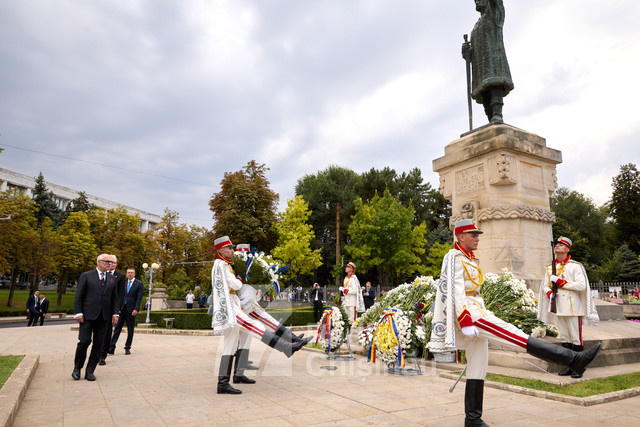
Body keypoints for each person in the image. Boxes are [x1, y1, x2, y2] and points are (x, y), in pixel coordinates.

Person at [428, 219, 601, 426]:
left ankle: (472, 419)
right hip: (469, 313)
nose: (477, 238)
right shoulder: (454, 257)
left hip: (476, 308)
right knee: (513, 334)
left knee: (478, 364)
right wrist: (464, 319)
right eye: (473, 235)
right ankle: (571, 359)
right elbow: (454, 289)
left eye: (478, 235)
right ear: (460, 237)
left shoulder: (469, 258)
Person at [211, 236, 308, 395]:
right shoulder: (221, 265)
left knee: (230, 346)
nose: (232, 250)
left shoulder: (225, 264)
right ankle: (286, 347)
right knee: (255, 326)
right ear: (220, 250)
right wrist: (240, 280)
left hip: (233, 305)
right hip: (230, 307)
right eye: (229, 248)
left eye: (232, 248)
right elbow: (235, 285)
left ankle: (223, 383)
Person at [537, 237, 600, 378]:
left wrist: (560, 282)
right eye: (556, 245)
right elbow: (545, 286)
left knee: (575, 338)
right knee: (565, 338)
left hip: (573, 307)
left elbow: (581, 285)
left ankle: (579, 367)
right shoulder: (550, 267)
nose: (557, 246)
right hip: (558, 306)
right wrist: (549, 292)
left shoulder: (575, 266)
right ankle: (569, 365)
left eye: (561, 245)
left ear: (567, 249)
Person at [462, 0, 514, 124]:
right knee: (483, 91)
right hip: (480, 68)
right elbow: (471, 54)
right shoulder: (475, 28)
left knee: (494, 84)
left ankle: (497, 114)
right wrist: (466, 52)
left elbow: (497, 3)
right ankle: (491, 118)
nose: (477, 2)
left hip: (493, 62)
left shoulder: (494, 14)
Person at [72, 254, 120, 381]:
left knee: (98, 345)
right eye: (107, 261)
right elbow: (79, 296)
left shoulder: (112, 278)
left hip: (104, 317)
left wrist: (115, 313)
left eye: (111, 262)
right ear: (99, 262)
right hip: (87, 316)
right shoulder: (86, 276)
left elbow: (115, 298)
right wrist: (78, 313)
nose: (110, 264)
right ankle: (77, 368)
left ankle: (90, 371)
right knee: (84, 342)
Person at [109, 268, 144, 356]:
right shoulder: (123, 283)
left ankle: (127, 347)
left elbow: (139, 297)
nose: (130, 274)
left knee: (130, 329)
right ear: (126, 274)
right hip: (121, 309)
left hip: (131, 310)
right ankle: (111, 347)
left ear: (134, 274)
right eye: (128, 273)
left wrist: (136, 309)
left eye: (131, 273)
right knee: (117, 329)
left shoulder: (139, 283)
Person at [100, 254, 126, 365]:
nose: (111, 264)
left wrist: (116, 311)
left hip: (110, 310)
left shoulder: (119, 277)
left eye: (114, 263)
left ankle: (103, 355)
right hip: (97, 308)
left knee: (107, 332)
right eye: (110, 262)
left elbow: (119, 296)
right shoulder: (97, 275)